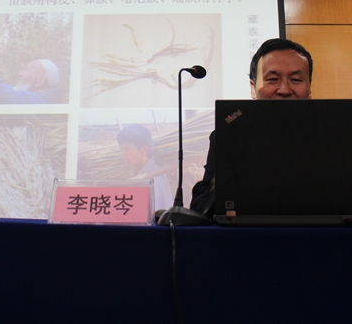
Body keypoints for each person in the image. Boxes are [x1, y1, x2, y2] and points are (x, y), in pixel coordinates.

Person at [189, 38, 313, 218]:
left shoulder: (335, 137)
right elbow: (199, 206)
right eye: (273, 79)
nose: (284, 90)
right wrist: (220, 191)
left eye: (295, 80)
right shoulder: (228, 137)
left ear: (309, 87)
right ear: (253, 88)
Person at [117, 124, 173, 211]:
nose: (123, 155)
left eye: (127, 149)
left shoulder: (154, 181)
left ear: (144, 150)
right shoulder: (135, 173)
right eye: (121, 150)